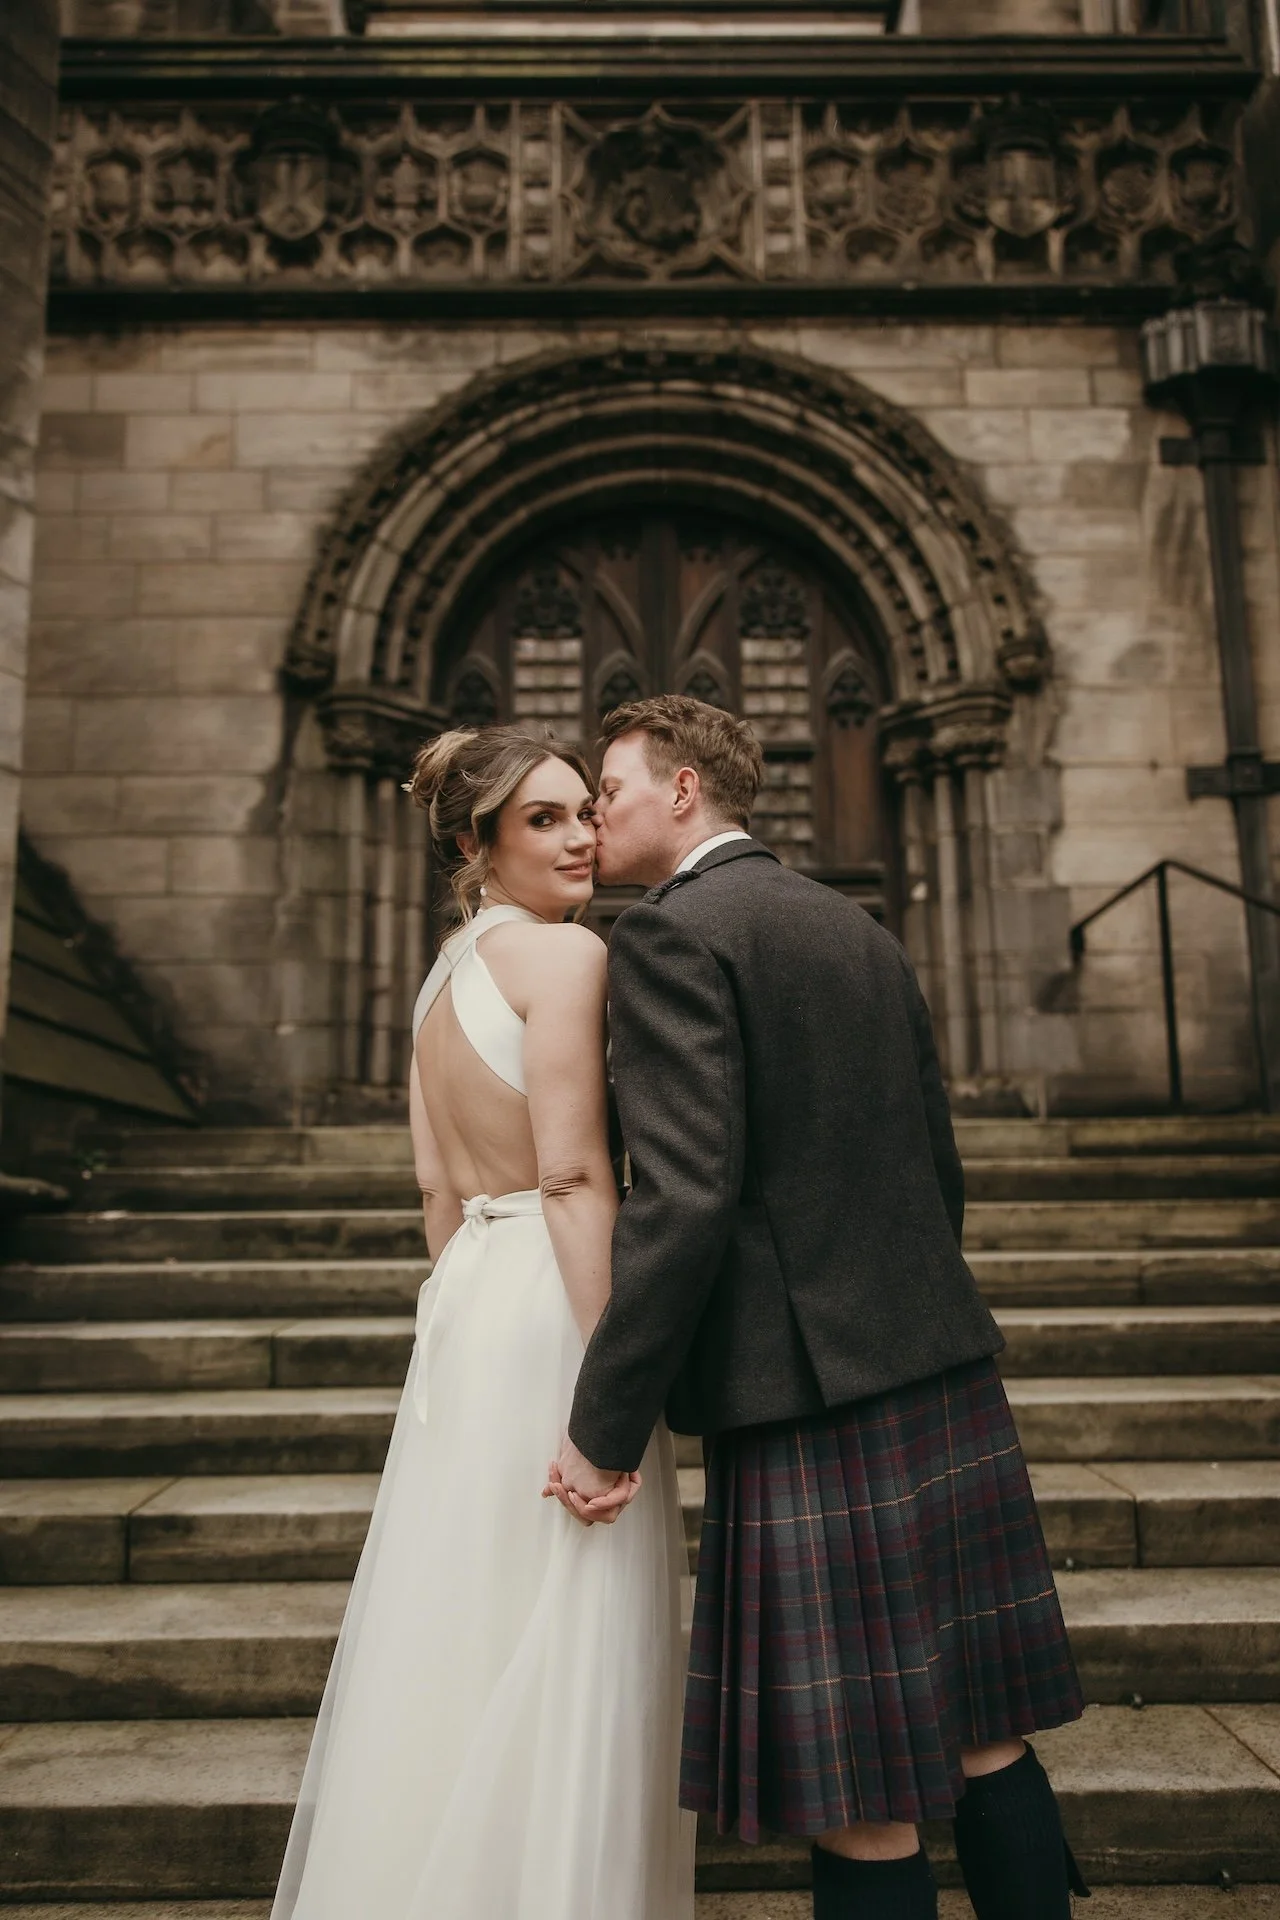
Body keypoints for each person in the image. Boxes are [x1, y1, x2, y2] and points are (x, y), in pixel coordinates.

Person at [549, 694, 1089, 1920]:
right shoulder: (853, 928)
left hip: (806, 1392)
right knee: (982, 1729)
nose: (595, 813)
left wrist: (602, 1420)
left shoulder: (669, 935)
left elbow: (680, 1202)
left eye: (612, 790)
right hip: (930, 1357)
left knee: (856, 1783)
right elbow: (936, 1165)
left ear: (682, 790)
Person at [270, 725, 694, 1920]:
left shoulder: (445, 969)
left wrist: (461, 1316)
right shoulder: (564, 962)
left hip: (470, 1299)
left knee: (465, 1621)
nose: (578, 838)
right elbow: (571, 1180)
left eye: (580, 812)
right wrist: (618, 1370)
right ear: (477, 842)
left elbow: (436, 1193)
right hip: (559, 1300)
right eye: (542, 821)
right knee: (571, 1632)